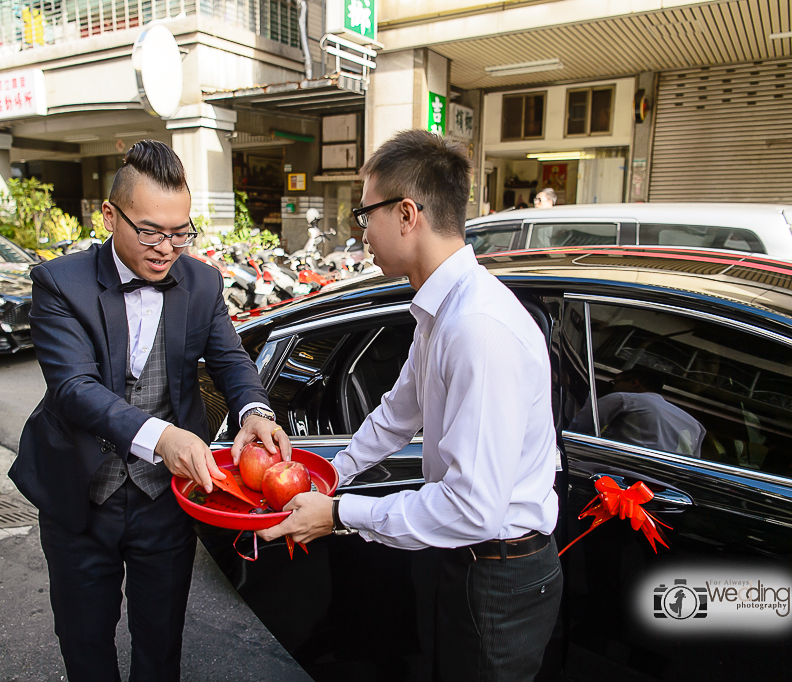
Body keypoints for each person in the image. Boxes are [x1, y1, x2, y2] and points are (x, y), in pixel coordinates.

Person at [259, 130, 562, 681]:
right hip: (470, 560)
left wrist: (338, 514)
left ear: (405, 214)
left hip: (499, 572)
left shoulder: (476, 328)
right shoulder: (442, 310)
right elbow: (401, 411)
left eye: (364, 214)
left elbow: (473, 508)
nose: (361, 233)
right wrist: (329, 473)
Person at [9, 140, 290, 682]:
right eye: (150, 231)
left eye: (180, 232)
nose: (167, 248)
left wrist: (255, 409)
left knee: (161, 643)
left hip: (166, 499)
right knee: (84, 642)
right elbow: (73, 387)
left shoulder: (203, 282)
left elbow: (230, 359)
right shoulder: (59, 284)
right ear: (110, 216)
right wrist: (163, 436)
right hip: (80, 493)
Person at [571, 368, 706, 457]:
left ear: (634, 382)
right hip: (668, 484)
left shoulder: (625, 399)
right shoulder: (694, 424)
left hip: (626, 472)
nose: (613, 387)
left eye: (614, 382)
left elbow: (578, 427)